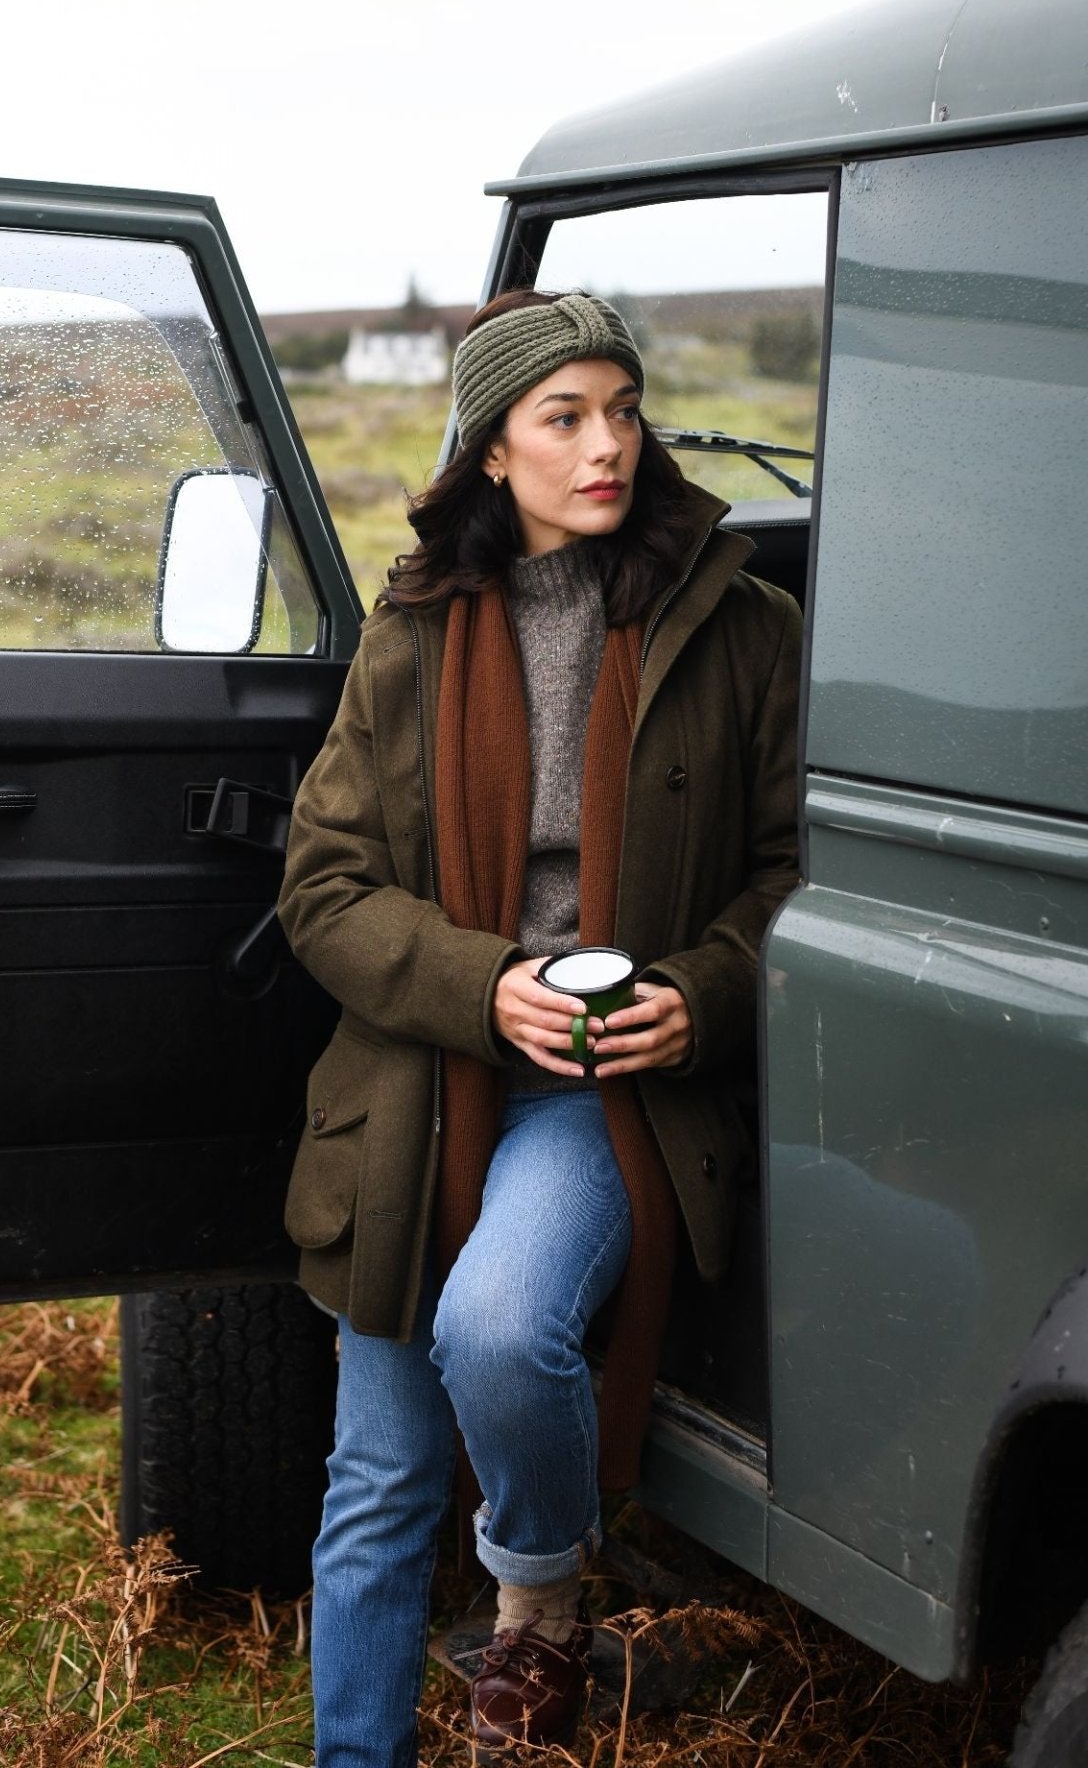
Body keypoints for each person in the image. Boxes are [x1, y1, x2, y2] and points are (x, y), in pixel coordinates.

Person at [276, 288, 802, 1765]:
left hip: (604, 1088)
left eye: (622, 411)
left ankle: (540, 1598)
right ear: (493, 452)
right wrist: (478, 980)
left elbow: (791, 877)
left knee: (500, 1330)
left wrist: (702, 997)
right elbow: (322, 888)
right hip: (420, 1089)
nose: (606, 446)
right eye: (562, 418)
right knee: (379, 1478)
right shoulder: (414, 636)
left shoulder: (743, 626)